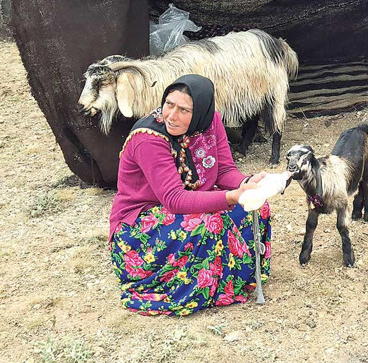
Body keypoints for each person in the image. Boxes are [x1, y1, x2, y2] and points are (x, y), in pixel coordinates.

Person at [109, 74, 277, 316]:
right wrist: (231, 197)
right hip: (140, 224)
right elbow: (174, 199)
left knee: (256, 205)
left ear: (200, 111)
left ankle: (232, 281)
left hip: (187, 203)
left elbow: (224, 170)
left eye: (184, 110)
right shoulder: (148, 139)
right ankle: (196, 288)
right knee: (210, 222)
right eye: (169, 104)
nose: (172, 116)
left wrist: (246, 184)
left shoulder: (210, 122)